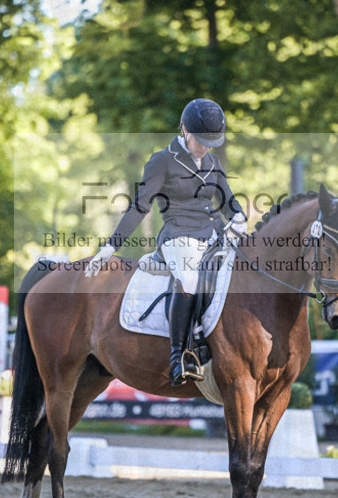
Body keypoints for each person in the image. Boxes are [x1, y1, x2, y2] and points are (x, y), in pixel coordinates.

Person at [85, 99, 247, 385]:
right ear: (185, 130)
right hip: (178, 236)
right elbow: (140, 206)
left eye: (211, 142)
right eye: (201, 141)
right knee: (189, 280)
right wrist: (110, 247)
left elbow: (228, 201)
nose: (206, 147)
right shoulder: (163, 161)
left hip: (211, 235)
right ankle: (179, 356)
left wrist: (239, 218)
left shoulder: (213, 162)